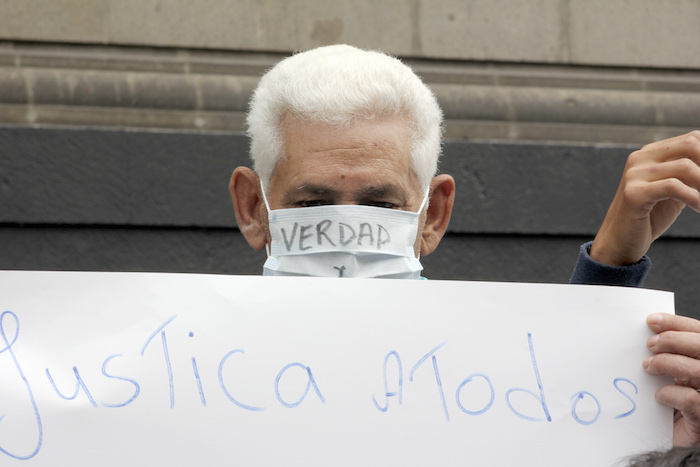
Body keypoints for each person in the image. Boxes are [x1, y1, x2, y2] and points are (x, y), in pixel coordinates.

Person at [228, 44, 700, 445]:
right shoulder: (167, 372)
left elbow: (558, 414)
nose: (348, 235)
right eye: (313, 203)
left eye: (381, 205)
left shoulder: (493, 382)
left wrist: (661, 448)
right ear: (254, 207)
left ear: (432, 214)